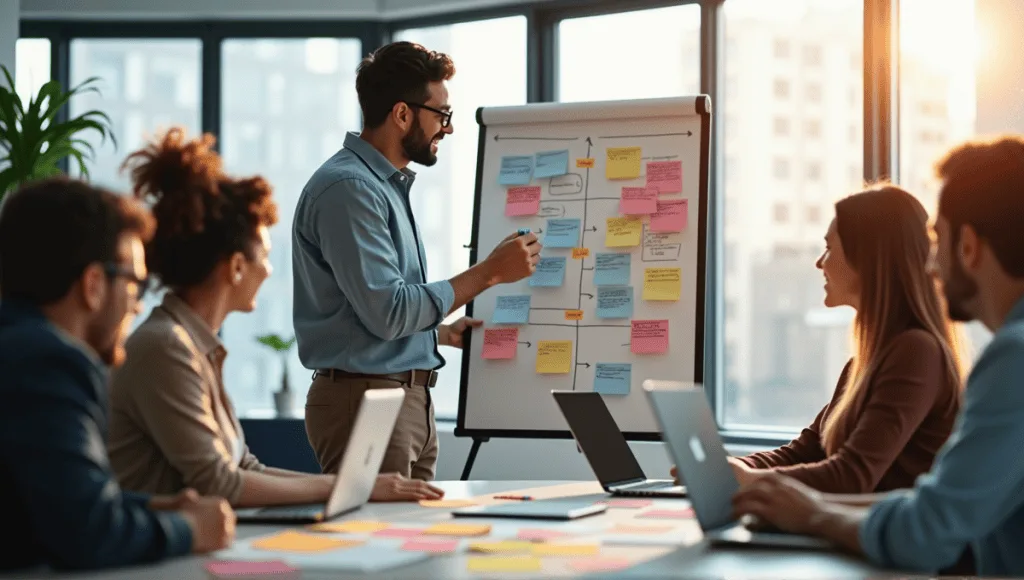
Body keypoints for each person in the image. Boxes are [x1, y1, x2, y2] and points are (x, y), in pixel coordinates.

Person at [731, 136, 1024, 577]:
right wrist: (753, 479)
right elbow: (932, 504)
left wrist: (807, 511)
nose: (931, 265)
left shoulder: (1009, 358)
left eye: (937, 239)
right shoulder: (868, 359)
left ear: (968, 246)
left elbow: (927, 528)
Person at [109, 128, 444, 507]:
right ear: (236, 267)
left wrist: (350, 484)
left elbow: (244, 467)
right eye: (264, 256)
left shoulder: (193, 346)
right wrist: (349, 487)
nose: (268, 270)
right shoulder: (166, 347)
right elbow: (223, 483)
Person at [293, 41, 541, 479]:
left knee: (412, 541)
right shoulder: (350, 190)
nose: (448, 128)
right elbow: (389, 312)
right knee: (377, 542)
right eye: (441, 115)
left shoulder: (382, 186)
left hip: (402, 401)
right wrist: (488, 274)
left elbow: (367, 314)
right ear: (402, 114)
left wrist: (439, 335)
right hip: (370, 401)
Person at [0, 178, 234, 571]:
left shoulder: (17, 347)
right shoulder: (48, 361)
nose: (138, 306)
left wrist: (148, 505)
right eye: (134, 285)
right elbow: (89, 534)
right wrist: (189, 529)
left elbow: (49, 500)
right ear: (93, 285)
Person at [725, 185, 964, 494]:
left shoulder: (916, 352)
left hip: (878, 539)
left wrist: (749, 481)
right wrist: (731, 469)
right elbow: (806, 451)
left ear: (865, 257)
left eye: (828, 248)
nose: (819, 262)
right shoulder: (866, 362)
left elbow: (851, 476)